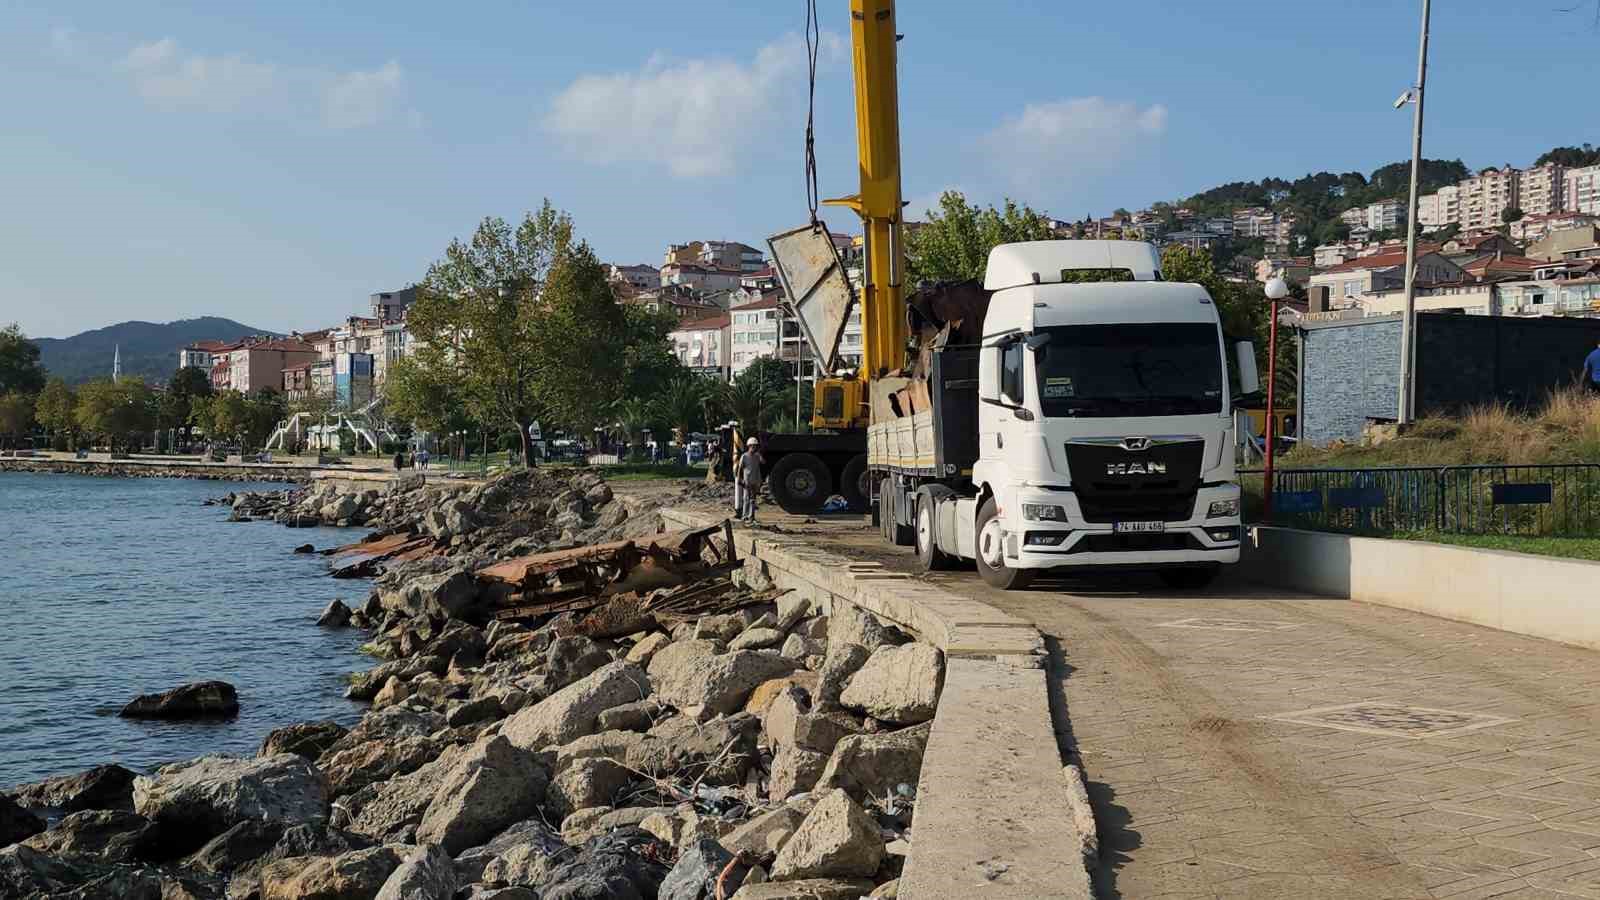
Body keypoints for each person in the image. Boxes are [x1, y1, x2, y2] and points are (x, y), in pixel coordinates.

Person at [734, 436, 764, 521]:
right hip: (747, 481)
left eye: (755, 446)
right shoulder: (744, 456)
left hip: (755, 481)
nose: (754, 447)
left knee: (753, 500)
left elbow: (763, 462)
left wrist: (760, 455)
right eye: (753, 446)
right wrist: (739, 479)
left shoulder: (757, 456)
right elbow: (740, 468)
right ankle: (744, 516)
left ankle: (751, 516)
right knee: (746, 498)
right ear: (749, 446)